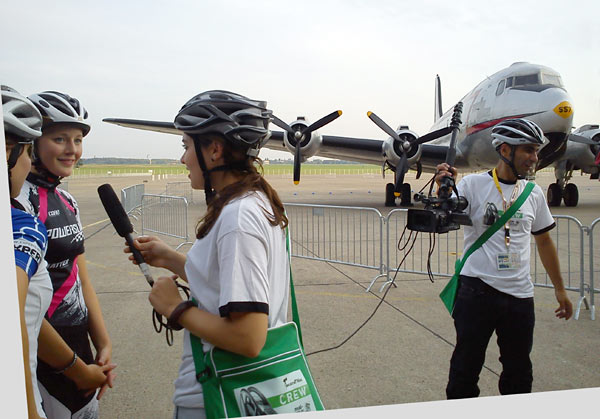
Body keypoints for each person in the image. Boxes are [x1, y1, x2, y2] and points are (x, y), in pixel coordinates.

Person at [123, 90, 290, 418]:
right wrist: (169, 258)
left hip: (216, 397)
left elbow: (248, 337)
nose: (183, 159)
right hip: (241, 392)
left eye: (186, 146)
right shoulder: (254, 203)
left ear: (214, 150)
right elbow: (227, 285)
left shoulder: (238, 217)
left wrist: (175, 308)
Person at [435, 118, 573, 399]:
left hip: (520, 296)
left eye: (536, 151)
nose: (534, 158)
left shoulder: (533, 194)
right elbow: (445, 207)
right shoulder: (473, 185)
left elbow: (544, 241)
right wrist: (444, 184)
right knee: (466, 367)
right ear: (506, 151)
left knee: (519, 372)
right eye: (528, 150)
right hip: (476, 292)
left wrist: (560, 289)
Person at [17, 90, 115, 418]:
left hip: (79, 348)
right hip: (49, 358)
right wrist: (75, 370)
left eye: (77, 140)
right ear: (31, 143)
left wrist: (103, 345)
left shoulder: (67, 200)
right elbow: (24, 306)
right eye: (60, 139)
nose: (72, 150)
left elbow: (81, 278)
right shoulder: (20, 204)